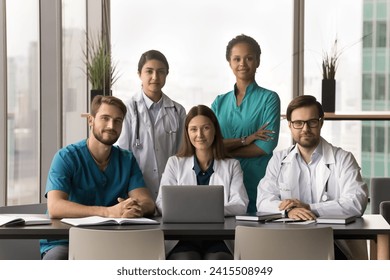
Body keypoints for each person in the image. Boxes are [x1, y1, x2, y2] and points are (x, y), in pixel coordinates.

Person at [40, 95, 155, 260]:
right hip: (66, 240)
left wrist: (134, 209)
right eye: (105, 118)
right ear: (90, 120)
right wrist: (108, 212)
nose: (111, 125)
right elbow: (55, 207)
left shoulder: (126, 159)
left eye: (117, 121)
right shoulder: (66, 157)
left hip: (113, 240)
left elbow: (147, 202)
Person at [257, 95, 369, 259]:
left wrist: (309, 208)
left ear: (321, 122)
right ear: (289, 125)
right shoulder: (278, 159)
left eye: (312, 122)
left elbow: (356, 201)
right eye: (298, 123)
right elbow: (263, 200)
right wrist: (288, 211)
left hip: (333, 243)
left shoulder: (343, 158)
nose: (305, 129)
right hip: (289, 242)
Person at [156, 105, 249, 260]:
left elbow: (240, 204)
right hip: (182, 238)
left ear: (215, 130)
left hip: (220, 238)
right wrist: (207, 211)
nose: (199, 135)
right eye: (193, 129)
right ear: (187, 133)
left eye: (205, 128)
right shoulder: (174, 163)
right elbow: (161, 203)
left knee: (218, 260)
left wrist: (199, 212)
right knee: (186, 260)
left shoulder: (232, 165)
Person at [211, 34, 280, 213]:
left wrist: (224, 149)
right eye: (237, 59)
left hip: (257, 177)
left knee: (256, 235)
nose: (243, 63)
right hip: (223, 178)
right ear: (230, 63)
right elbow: (210, 144)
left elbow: (264, 147)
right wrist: (246, 140)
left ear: (257, 61)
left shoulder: (269, 99)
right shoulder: (219, 102)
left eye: (249, 58)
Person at [116, 50, 186, 200]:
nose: (155, 77)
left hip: (170, 189)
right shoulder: (127, 109)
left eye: (161, 72)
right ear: (139, 74)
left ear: (167, 74)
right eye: (149, 71)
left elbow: (182, 155)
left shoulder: (178, 111)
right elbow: (123, 155)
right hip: (136, 190)